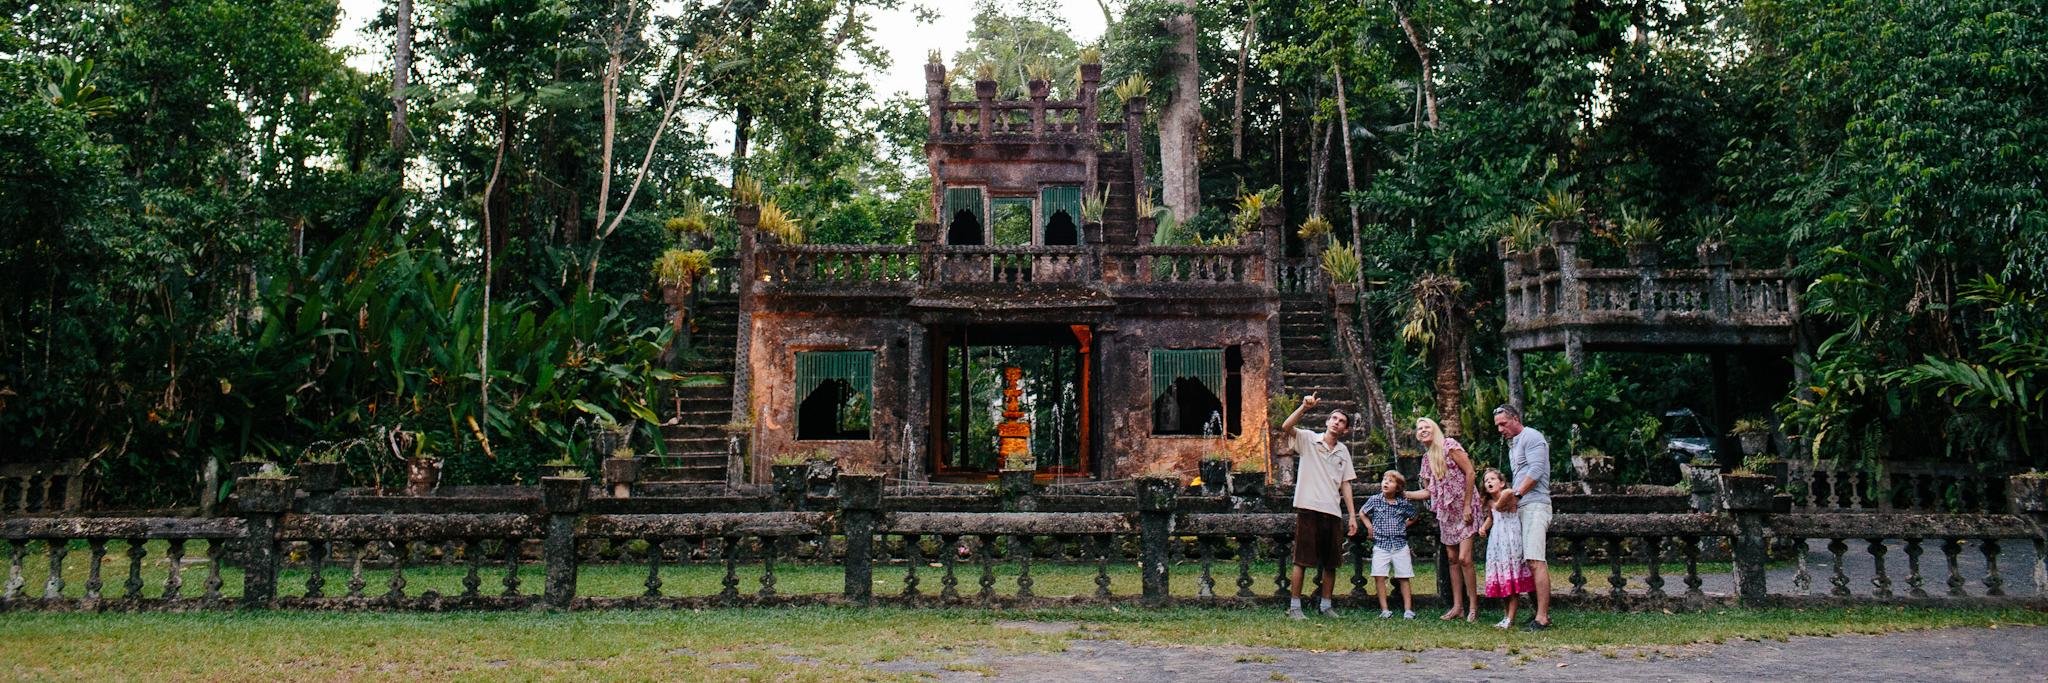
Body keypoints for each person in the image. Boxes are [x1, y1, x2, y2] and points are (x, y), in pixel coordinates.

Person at [1279, 394, 1357, 620]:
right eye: (1334, 418)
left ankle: (1326, 605)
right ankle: (1295, 607)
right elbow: (1286, 427)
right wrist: (1304, 407)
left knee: (1331, 562)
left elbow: (1346, 484)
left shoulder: (1343, 451)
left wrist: (1352, 516)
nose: (1336, 423)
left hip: (1332, 510)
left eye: (1341, 421)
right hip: (1308, 507)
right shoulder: (1308, 439)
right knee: (1301, 560)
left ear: (1345, 430)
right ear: (1327, 421)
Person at [1397, 417, 1484, 622]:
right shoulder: (1426, 460)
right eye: (1419, 428)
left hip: (1465, 508)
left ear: (1434, 429)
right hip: (1447, 513)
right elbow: (1429, 492)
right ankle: (1457, 607)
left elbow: (1470, 473)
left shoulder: (1449, 446)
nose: (1423, 430)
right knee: (1452, 559)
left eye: (1426, 426)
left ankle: (1473, 606)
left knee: (1464, 559)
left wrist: (1467, 505)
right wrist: (1405, 494)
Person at [1493, 403, 1553, 630]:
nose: (1500, 429)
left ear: (1515, 419)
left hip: (1536, 506)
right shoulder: (1514, 444)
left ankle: (1542, 617)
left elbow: (1536, 472)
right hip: (1522, 507)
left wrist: (1515, 495)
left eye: (1503, 424)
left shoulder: (1532, 437)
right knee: (1527, 562)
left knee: (1536, 560)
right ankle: (1538, 612)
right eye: (1498, 426)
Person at [1477, 467, 1535, 629]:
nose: (1488, 482)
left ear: (1502, 483)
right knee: (1503, 580)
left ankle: (1510, 618)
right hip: (1497, 543)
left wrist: (1501, 495)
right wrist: (1483, 527)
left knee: (1512, 579)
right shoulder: (1490, 502)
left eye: (1492, 479)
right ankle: (1506, 615)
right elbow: (1491, 517)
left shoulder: (1508, 496)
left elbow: (1501, 504)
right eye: (1486, 480)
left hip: (1510, 542)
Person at [1359, 469, 1418, 619]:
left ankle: (1408, 610)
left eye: (1390, 481)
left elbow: (1414, 516)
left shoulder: (1403, 503)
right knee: (1379, 576)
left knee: (1404, 577)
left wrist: (1404, 525)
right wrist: (1369, 526)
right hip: (1381, 545)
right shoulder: (1375, 500)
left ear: (1398, 488)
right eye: (1384, 480)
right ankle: (1384, 609)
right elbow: (1362, 512)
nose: (1385, 482)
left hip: (1400, 545)